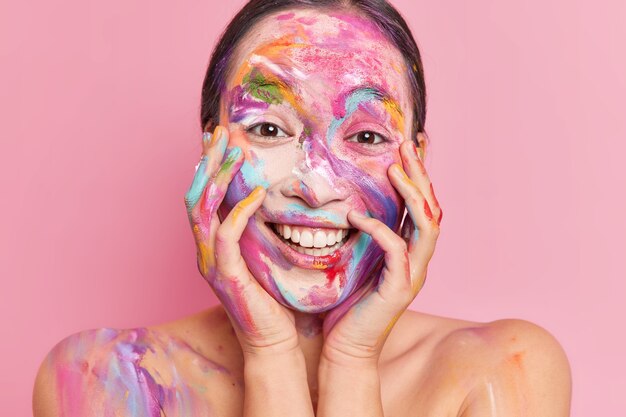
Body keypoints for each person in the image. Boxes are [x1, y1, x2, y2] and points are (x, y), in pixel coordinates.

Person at [33, 1, 572, 416]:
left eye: (364, 134)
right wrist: (269, 352)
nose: (317, 189)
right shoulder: (108, 379)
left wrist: (352, 360)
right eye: (268, 129)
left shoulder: (502, 371)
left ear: (418, 163)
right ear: (210, 152)